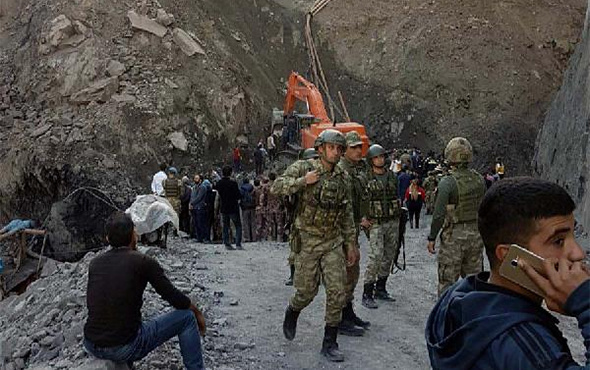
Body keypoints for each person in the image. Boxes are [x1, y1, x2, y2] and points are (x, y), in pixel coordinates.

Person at [425, 177, 590, 369]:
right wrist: (585, 303)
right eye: (558, 241)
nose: (578, 253)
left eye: (573, 234)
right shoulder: (521, 343)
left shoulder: (460, 299)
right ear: (510, 256)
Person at [271, 129, 357, 362]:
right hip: (308, 240)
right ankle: (293, 310)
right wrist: (302, 182)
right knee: (307, 292)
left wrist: (351, 244)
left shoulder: (342, 177)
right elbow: (276, 186)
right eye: (332, 148)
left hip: (332, 241)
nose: (336, 152)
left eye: (340, 149)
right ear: (320, 149)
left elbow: (347, 212)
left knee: (338, 292)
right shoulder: (304, 168)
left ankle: (330, 342)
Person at [83, 212, 206, 369]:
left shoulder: (95, 263)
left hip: (91, 343)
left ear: (107, 238)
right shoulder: (143, 262)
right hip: (123, 347)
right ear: (133, 234)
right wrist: (197, 312)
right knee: (187, 318)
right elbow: (174, 298)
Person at [426, 137, 487, 295]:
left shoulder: (448, 183)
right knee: (475, 282)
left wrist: (432, 237)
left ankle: (446, 316)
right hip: (476, 235)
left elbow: (439, 214)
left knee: (447, 282)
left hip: (454, 237)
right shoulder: (479, 179)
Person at [335, 131, 371, 336]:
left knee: (352, 273)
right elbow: (343, 207)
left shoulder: (356, 170)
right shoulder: (342, 172)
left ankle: (347, 313)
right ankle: (338, 318)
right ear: (344, 150)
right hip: (342, 233)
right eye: (354, 147)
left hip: (352, 230)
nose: (359, 150)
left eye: (360, 147)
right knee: (344, 275)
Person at [362, 144, 402, 309]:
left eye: (382, 156)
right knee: (375, 256)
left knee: (389, 255)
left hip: (392, 221)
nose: (380, 159)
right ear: (371, 160)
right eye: (376, 157)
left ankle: (381, 288)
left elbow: (397, 196)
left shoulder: (392, 177)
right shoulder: (365, 178)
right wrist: (362, 219)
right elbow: (360, 200)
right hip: (375, 223)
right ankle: (367, 292)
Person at [284, 148, 319, 286]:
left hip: (316, 221)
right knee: (295, 248)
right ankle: (294, 275)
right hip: (298, 219)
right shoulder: (298, 181)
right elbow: (287, 198)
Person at [215, 166, 243, 250]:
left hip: (224, 207)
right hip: (233, 207)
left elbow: (218, 194)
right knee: (238, 225)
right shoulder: (233, 183)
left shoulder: (219, 183)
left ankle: (227, 243)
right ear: (230, 173)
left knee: (225, 226)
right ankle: (238, 244)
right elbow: (238, 195)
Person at [262, 173, 284, 242]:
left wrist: (264, 204)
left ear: (269, 178)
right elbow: (282, 196)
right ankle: (279, 237)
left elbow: (264, 197)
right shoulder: (279, 186)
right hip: (278, 206)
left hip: (269, 206)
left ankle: (270, 238)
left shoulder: (266, 186)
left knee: (269, 222)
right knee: (279, 222)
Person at [190, 175, 210, 243]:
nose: (195, 179)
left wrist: (192, 202)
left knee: (201, 223)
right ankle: (199, 237)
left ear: (200, 180)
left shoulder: (202, 187)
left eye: (197, 178)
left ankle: (204, 237)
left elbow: (199, 197)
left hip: (200, 207)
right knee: (196, 223)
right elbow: (192, 196)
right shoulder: (194, 187)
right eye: (195, 178)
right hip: (194, 207)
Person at [239, 177, 256, 242]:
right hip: (252, 206)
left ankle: (247, 237)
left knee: (245, 222)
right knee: (253, 222)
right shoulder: (252, 188)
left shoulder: (242, 189)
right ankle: (254, 237)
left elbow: (240, 196)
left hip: (245, 207)